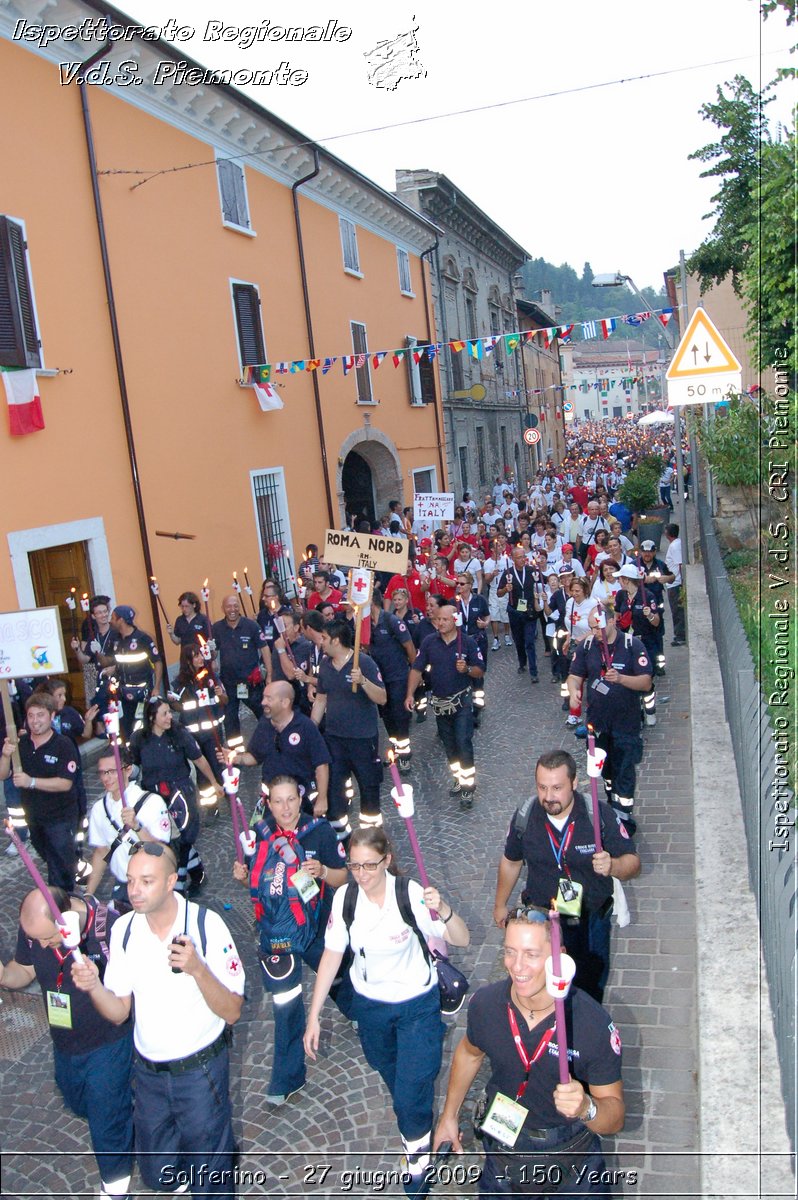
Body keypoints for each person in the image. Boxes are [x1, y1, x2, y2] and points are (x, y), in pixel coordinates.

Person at [71, 842, 245, 1198]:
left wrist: (197, 969)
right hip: (148, 1075)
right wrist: (93, 987)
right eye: (131, 880)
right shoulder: (124, 931)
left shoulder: (205, 925)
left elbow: (232, 1011)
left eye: (146, 881)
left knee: (210, 1177)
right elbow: (119, 1011)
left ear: (170, 883)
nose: (134, 890)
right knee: (157, 1171)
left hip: (200, 1073)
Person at [304, 828, 469, 1197]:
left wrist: (442, 908)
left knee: (412, 1087)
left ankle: (417, 1156)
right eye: (354, 865)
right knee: (392, 1076)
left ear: (387, 861)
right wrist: (313, 1015)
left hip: (417, 1006)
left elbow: (461, 938)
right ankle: (417, 1127)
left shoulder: (408, 895)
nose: (361, 874)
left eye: (369, 865)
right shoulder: (345, 899)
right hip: (371, 1007)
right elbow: (332, 954)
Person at [433, 909, 625, 1197]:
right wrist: (449, 1116)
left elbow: (615, 1116)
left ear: (559, 957)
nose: (517, 966)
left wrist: (587, 1107)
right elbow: (469, 1054)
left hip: (571, 1159)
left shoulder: (592, 1024)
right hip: (503, 1150)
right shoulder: (485, 1005)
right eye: (510, 952)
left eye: (531, 954)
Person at [0, 886, 134, 1200]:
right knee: (77, 1099)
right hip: (65, 1042)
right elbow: (23, 970)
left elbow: (125, 998)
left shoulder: (109, 929)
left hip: (109, 1042)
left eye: (48, 938)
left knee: (106, 1121)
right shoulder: (35, 928)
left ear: (67, 920)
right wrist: (4, 976)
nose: (43, 945)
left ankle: (115, 1189)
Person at [232, 775, 350, 1105]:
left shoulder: (320, 831)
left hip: (316, 930)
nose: (285, 808)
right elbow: (258, 888)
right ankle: (287, 1079)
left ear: (301, 800)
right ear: (268, 804)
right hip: (278, 934)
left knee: (340, 981)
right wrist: (242, 878)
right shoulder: (258, 835)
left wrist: (323, 872)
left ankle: (360, 1013)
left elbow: (343, 877)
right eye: (278, 801)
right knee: (285, 1005)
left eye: (291, 800)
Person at [493, 750, 640, 1002]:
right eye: (542, 787)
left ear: (574, 783)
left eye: (557, 788)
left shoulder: (598, 815)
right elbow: (511, 861)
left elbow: (633, 864)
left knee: (590, 985)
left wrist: (613, 865)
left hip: (590, 920)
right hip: (542, 918)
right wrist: (500, 905)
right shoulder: (525, 816)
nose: (548, 797)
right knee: (542, 986)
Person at [568, 603, 653, 830]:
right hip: (598, 723)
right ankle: (611, 805)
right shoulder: (587, 646)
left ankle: (623, 818)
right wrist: (573, 691)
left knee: (624, 769)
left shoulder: (632, 645)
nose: (596, 633)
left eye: (599, 628)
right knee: (605, 771)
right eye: (592, 628)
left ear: (612, 621)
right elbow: (575, 675)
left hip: (626, 722)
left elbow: (646, 682)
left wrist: (622, 679)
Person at [129, 698, 222, 893]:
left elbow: (199, 759)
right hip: (154, 797)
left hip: (180, 794)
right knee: (165, 838)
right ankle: (198, 872)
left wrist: (214, 782)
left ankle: (177, 887)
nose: (170, 716)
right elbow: (135, 766)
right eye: (164, 713)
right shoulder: (139, 739)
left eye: (170, 712)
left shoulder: (180, 734)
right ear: (152, 717)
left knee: (183, 838)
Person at [311, 618, 387, 842]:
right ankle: (341, 835)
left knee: (368, 786)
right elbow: (321, 699)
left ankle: (371, 835)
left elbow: (382, 698)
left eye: (324, 638)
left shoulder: (364, 662)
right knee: (335, 788)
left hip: (363, 739)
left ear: (336, 640)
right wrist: (312, 728)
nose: (320, 642)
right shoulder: (325, 665)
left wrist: (363, 681)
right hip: (334, 738)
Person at [404, 602, 484, 808]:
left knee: (463, 742)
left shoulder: (466, 643)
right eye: (438, 619)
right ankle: (458, 777)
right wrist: (410, 694)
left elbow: (480, 670)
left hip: (462, 702)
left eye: (444, 619)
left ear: (455, 620)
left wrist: (466, 669)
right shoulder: (430, 642)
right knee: (449, 746)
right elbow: (416, 669)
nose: (439, 623)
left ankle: (468, 788)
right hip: (440, 704)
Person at [0, 692, 80, 891]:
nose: (35, 721)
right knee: (52, 859)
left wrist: (32, 782)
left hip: (60, 819)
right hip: (34, 818)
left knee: (59, 869)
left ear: (52, 716)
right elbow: (3, 775)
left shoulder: (63, 745)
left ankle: (63, 905)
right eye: (31, 716)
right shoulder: (22, 745)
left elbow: (65, 784)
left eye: (40, 715)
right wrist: (5, 755)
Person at [85, 747, 173, 909]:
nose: (106, 778)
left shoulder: (152, 802)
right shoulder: (99, 808)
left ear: (128, 770)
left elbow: (161, 850)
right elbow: (102, 851)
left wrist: (138, 827)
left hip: (151, 884)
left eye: (111, 771)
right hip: (123, 886)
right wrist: (88, 894)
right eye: (103, 772)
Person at [237, 681, 331, 820]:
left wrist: (322, 799)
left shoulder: (305, 727)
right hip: (271, 802)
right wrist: (237, 758)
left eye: (269, 698)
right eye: (264, 697)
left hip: (302, 803)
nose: (263, 702)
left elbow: (321, 764)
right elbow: (255, 757)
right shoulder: (264, 724)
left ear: (285, 702)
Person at [170, 643, 228, 805]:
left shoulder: (211, 677)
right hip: (193, 734)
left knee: (218, 766)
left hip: (213, 731)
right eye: (196, 656)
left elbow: (225, 700)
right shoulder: (180, 682)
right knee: (202, 773)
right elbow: (174, 705)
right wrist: (178, 702)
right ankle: (211, 806)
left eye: (201, 655)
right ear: (188, 660)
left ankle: (229, 796)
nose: (200, 658)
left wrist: (220, 694)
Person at [212, 592, 270, 754]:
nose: (232, 609)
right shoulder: (216, 628)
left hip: (251, 682)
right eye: (229, 606)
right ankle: (235, 753)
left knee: (264, 714)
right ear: (223, 608)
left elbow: (264, 648)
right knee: (230, 720)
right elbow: (213, 654)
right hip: (228, 684)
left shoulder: (251, 626)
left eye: (235, 605)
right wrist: (210, 653)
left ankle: (270, 745)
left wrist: (270, 674)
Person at [368, 589, 416, 771]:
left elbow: (410, 647)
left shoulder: (391, 621)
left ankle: (405, 754)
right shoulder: (364, 625)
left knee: (400, 715)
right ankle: (396, 747)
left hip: (398, 676)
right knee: (386, 715)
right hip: (379, 680)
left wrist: (414, 675)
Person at [103, 606, 164, 741]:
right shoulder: (115, 639)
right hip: (123, 691)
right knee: (125, 726)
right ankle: (129, 755)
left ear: (122, 620)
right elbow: (107, 660)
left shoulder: (143, 638)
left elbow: (158, 662)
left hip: (142, 691)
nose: (110, 621)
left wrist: (156, 687)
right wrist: (96, 652)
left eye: (113, 618)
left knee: (143, 725)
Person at [498, 545, 544, 683]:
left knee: (530, 641)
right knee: (518, 640)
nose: (523, 559)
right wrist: (506, 589)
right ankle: (522, 662)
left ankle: (533, 670)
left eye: (524, 556)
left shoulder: (532, 571)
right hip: (515, 611)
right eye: (519, 557)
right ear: (512, 559)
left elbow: (544, 581)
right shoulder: (508, 573)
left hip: (529, 611)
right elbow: (498, 593)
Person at [454, 570, 490, 728]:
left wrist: (485, 623)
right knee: (462, 672)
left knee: (477, 673)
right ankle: (464, 707)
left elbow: (487, 616)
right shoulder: (453, 602)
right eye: (457, 583)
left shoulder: (479, 600)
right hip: (461, 642)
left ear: (470, 585)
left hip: (477, 640)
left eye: (462, 584)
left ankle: (477, 706)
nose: (459, 586)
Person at [70, 594, 114, 717]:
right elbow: (85, 659)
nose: (103, 615)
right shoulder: (92, 633)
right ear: (93, 616)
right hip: (99, 678)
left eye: (105, 611)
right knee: (100, 713)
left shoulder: (116, 631)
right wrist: (77, 649)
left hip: (115, 679)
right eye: (99, 613)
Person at [483, 534, 513, 652]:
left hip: (505, 590)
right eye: (498, 545)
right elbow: (487, 580)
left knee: (505, 613)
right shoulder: (488, 563)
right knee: (494, 614)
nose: (500, 547)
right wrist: (492, 575)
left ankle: (506, 634)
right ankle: (496, 638)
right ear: (492, 549)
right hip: (494, 590)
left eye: (501, 545)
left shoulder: (507, 561)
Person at [664, 523, 686, 645]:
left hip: (675, 583)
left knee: (677, 611)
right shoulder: (676, 544)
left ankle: (680, 635)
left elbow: (680, 564)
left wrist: (682, 582)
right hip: (674, 582)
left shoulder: (674, 546)